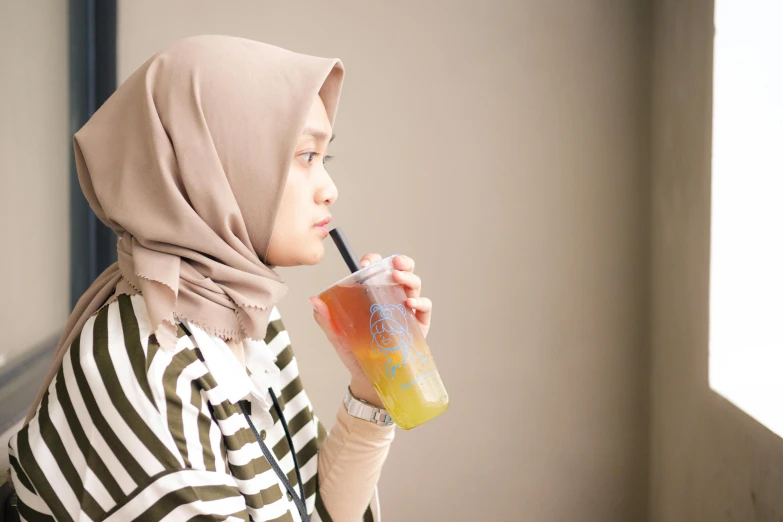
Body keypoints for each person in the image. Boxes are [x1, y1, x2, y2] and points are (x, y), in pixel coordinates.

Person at [5, 35, 433, 522]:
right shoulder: (150, 371)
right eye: (306, 157)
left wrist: (371, 390)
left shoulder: (244, 317)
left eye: (324, 157)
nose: (329, 190)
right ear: (215, 168)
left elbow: (316, 509)